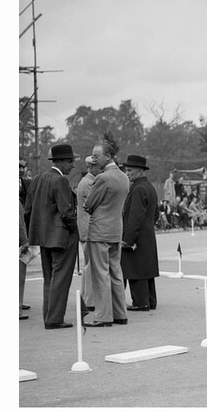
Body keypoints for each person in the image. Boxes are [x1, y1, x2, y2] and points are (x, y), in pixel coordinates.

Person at [23, 143, 79, 329]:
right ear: (60, 162)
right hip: (61, 237)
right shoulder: (60, 181)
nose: (72, 166)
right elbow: (66, 211)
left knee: (49, 278)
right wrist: (74, 228)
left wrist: (37, 229)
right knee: (61, 278)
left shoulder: (37, 179)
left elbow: (28, 210)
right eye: (70, 162)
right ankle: (54, 319)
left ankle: (49, 316)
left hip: (42, 237)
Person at [82, 141, 130, 327]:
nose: (94, 159)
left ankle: (103, 316)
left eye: (96, 155)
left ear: (108, 156)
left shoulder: (102, 178)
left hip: (99, 232)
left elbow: (89, 204)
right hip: (115, 230)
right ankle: (120, 314)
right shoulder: (124, 177)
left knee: (100, 274)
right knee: (115, 273)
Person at [121, 155, 160, 311]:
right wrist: (148, 226)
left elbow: (134, 216)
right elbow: (155, 213)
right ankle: (150, 300)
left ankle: (141, 302)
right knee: (146, 269)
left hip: (137, 236)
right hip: (147, 234)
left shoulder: (138, 189)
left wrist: (128, 239)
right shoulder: (149, 187)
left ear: (139, 171)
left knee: (135, 269)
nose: (127, 173)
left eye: (130, 170)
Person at [76, 155, 102, 313]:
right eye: (99, 167)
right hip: (90, 229)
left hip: (86, 228)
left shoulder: (85, 181)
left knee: (89, 266)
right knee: (91, 266)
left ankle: (87, 298)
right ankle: (89, 300)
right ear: (92, 168)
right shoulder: (90, 183)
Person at [18, 158, 32, 313]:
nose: (21, 169)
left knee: (22, 269)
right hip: (19, 231)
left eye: (23, 166)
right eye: (18, 166)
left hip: (25, 228)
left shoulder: (28, 183)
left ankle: (20, 300)